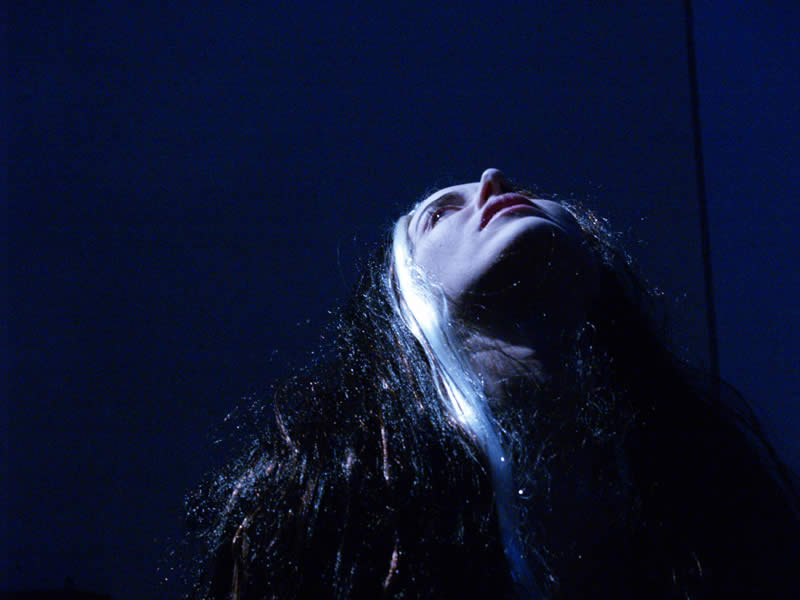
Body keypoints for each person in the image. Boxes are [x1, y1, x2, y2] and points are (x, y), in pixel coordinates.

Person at [186, 169, 800, 599]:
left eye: (525, 191)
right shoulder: (331, 498)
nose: (494, 180)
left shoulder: (707, 477)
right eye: (438, 215)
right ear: (402, 303)